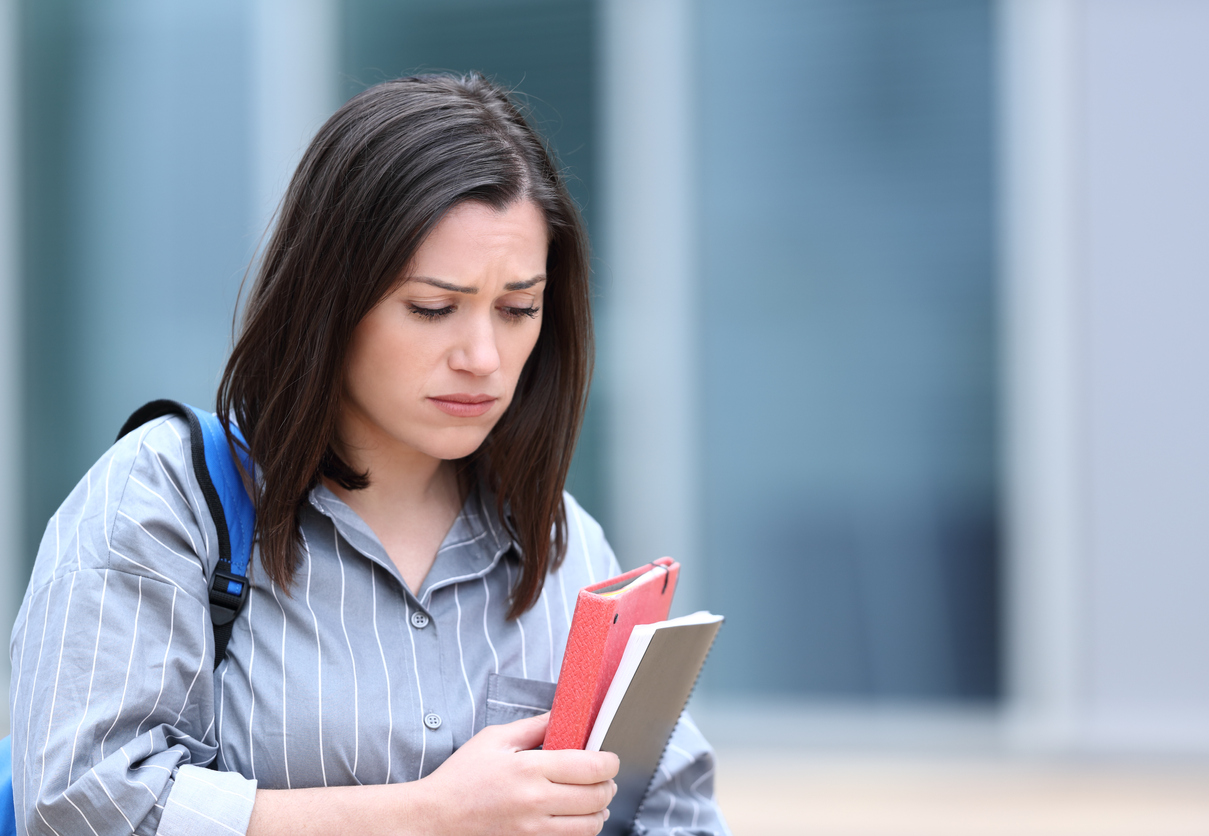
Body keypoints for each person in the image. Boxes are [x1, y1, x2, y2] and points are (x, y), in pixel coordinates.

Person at [8, 74, 729, 836]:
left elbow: (673, 812)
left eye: (519, 309)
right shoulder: (163, 501)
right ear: (331, 300)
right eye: (433, 308)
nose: (483, 355)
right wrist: (429, 816)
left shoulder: (562, 544)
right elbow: (77, 801)